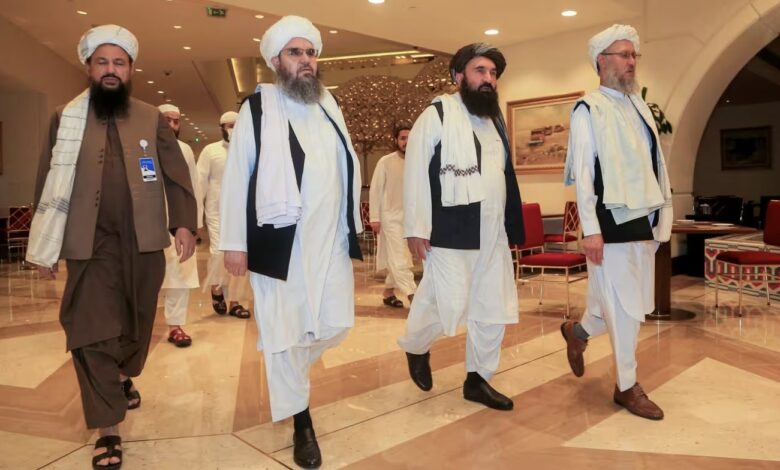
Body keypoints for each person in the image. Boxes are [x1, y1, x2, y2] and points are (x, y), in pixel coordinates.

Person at [26, 25, 197, 469]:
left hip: (143, 241)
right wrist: (44, 242)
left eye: (119, 63)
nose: (110, 70)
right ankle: (108, 429)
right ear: (88, 67)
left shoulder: (150, 117)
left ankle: (122, 376)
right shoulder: (64, 118)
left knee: (134, 328)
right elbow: (47, 179)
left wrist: (184, 223)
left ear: (130, 69)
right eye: (101, 61)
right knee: (91, 332)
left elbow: (175, 174)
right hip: (89, 244)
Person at [219, 15, 363, 469]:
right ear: (275, 60)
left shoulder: (328, 105)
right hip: (280, 241)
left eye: (311, 52)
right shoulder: (257, 109)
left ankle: (294, 378)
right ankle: (302, 421)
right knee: (285, 332)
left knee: (334, 324)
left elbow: (345, 166)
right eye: (295, 52)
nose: (306, 60)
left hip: (330, 239)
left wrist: (353, 221)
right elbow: (238, 176)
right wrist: (234, 242)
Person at [399, 43, 524, 411]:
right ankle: (416, 346)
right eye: (480, 71)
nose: (489, 79)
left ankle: (478, 379)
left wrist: (511, 225)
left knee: (493, 307)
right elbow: (415, 172)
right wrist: (416, 227)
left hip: (492, 232)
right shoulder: (436, 115)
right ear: (458, 76)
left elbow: (504, 175)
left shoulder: (494, 120)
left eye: (493, 73)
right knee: (446, 302)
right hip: (451, 230)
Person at [560, 24, 673, 420]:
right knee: (624, 309)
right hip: (610, 223)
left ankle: (577, 333)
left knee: (618, 301)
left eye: (633, 55)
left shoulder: (639, 106)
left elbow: (656, 166)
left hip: (645, 218)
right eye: (623, 55)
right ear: (601, 61)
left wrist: (662, 217)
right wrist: (591, 230)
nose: (631, 62)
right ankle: (627, 386)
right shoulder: (588, 109)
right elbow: (585, 174)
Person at [196, 110, 252, 319]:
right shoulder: (210, 151)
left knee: (242, 256)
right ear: (222, 128)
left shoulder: (248, 150)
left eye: (237, 125)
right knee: (218, 253)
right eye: (230, 126)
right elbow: (199, 184)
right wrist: (196, 218)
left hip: (242, 214)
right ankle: (217, 287)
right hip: (216, 212)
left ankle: (235, 302)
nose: (234, 129)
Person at [158, 103, 203, 347]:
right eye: (167, 120)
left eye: (176, 121)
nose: (172, 125)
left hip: (179, 223)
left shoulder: (185, 150)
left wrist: (195, 223)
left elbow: (194, 187)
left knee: (179, 274)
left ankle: (175, 326)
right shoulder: (142, 145)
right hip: (149, 222)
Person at [369, 125, 417, 308]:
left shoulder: (418, 163)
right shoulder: (386, 161)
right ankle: (413, 295)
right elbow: (375, 190)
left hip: (410, 219)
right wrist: (374, 217)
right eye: (403, 138)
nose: (406, 142)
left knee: (399, 256)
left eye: (410, 138)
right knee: (400, 258)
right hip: (390, 218)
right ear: (396, 140)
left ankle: (388, 292)